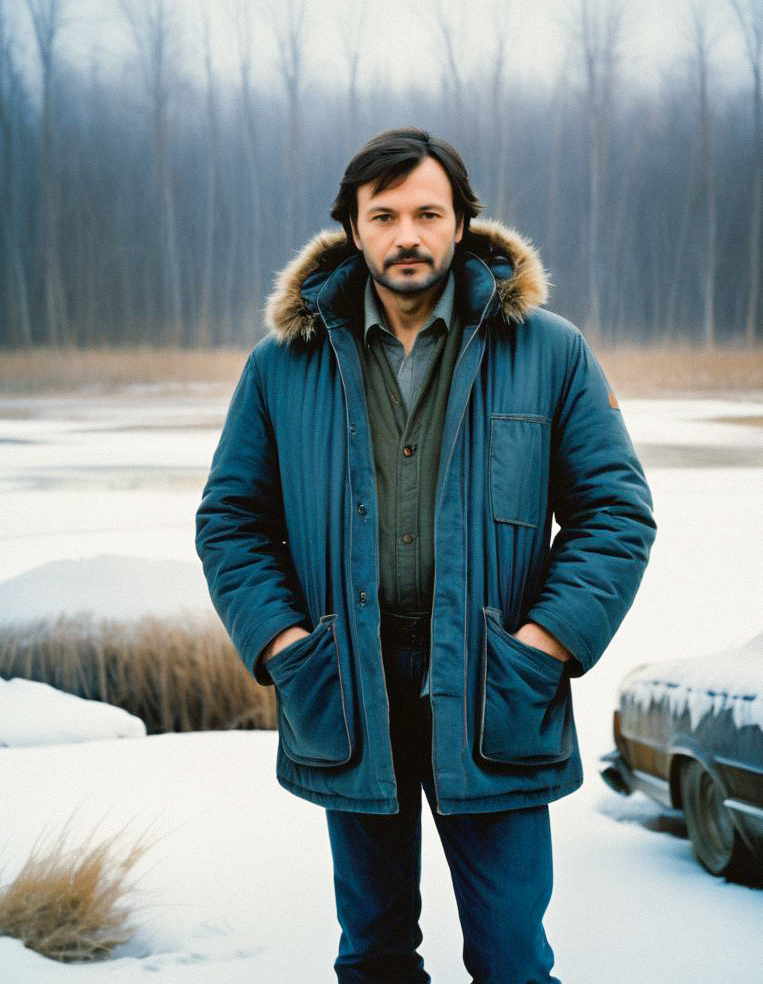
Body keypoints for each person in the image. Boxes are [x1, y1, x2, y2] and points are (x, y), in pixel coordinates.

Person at [195, 127, 656, 984]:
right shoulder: (280, 367)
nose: (407, 235)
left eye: (427, 213)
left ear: (460, 223)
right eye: (385, 215)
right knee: (372, 956)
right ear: (352, 227)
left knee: (513, 959)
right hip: (347, 686)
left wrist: (546, 643)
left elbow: (615, 513)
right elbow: (231, 522)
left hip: (495, 685)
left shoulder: (549, 351)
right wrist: (287, 647)